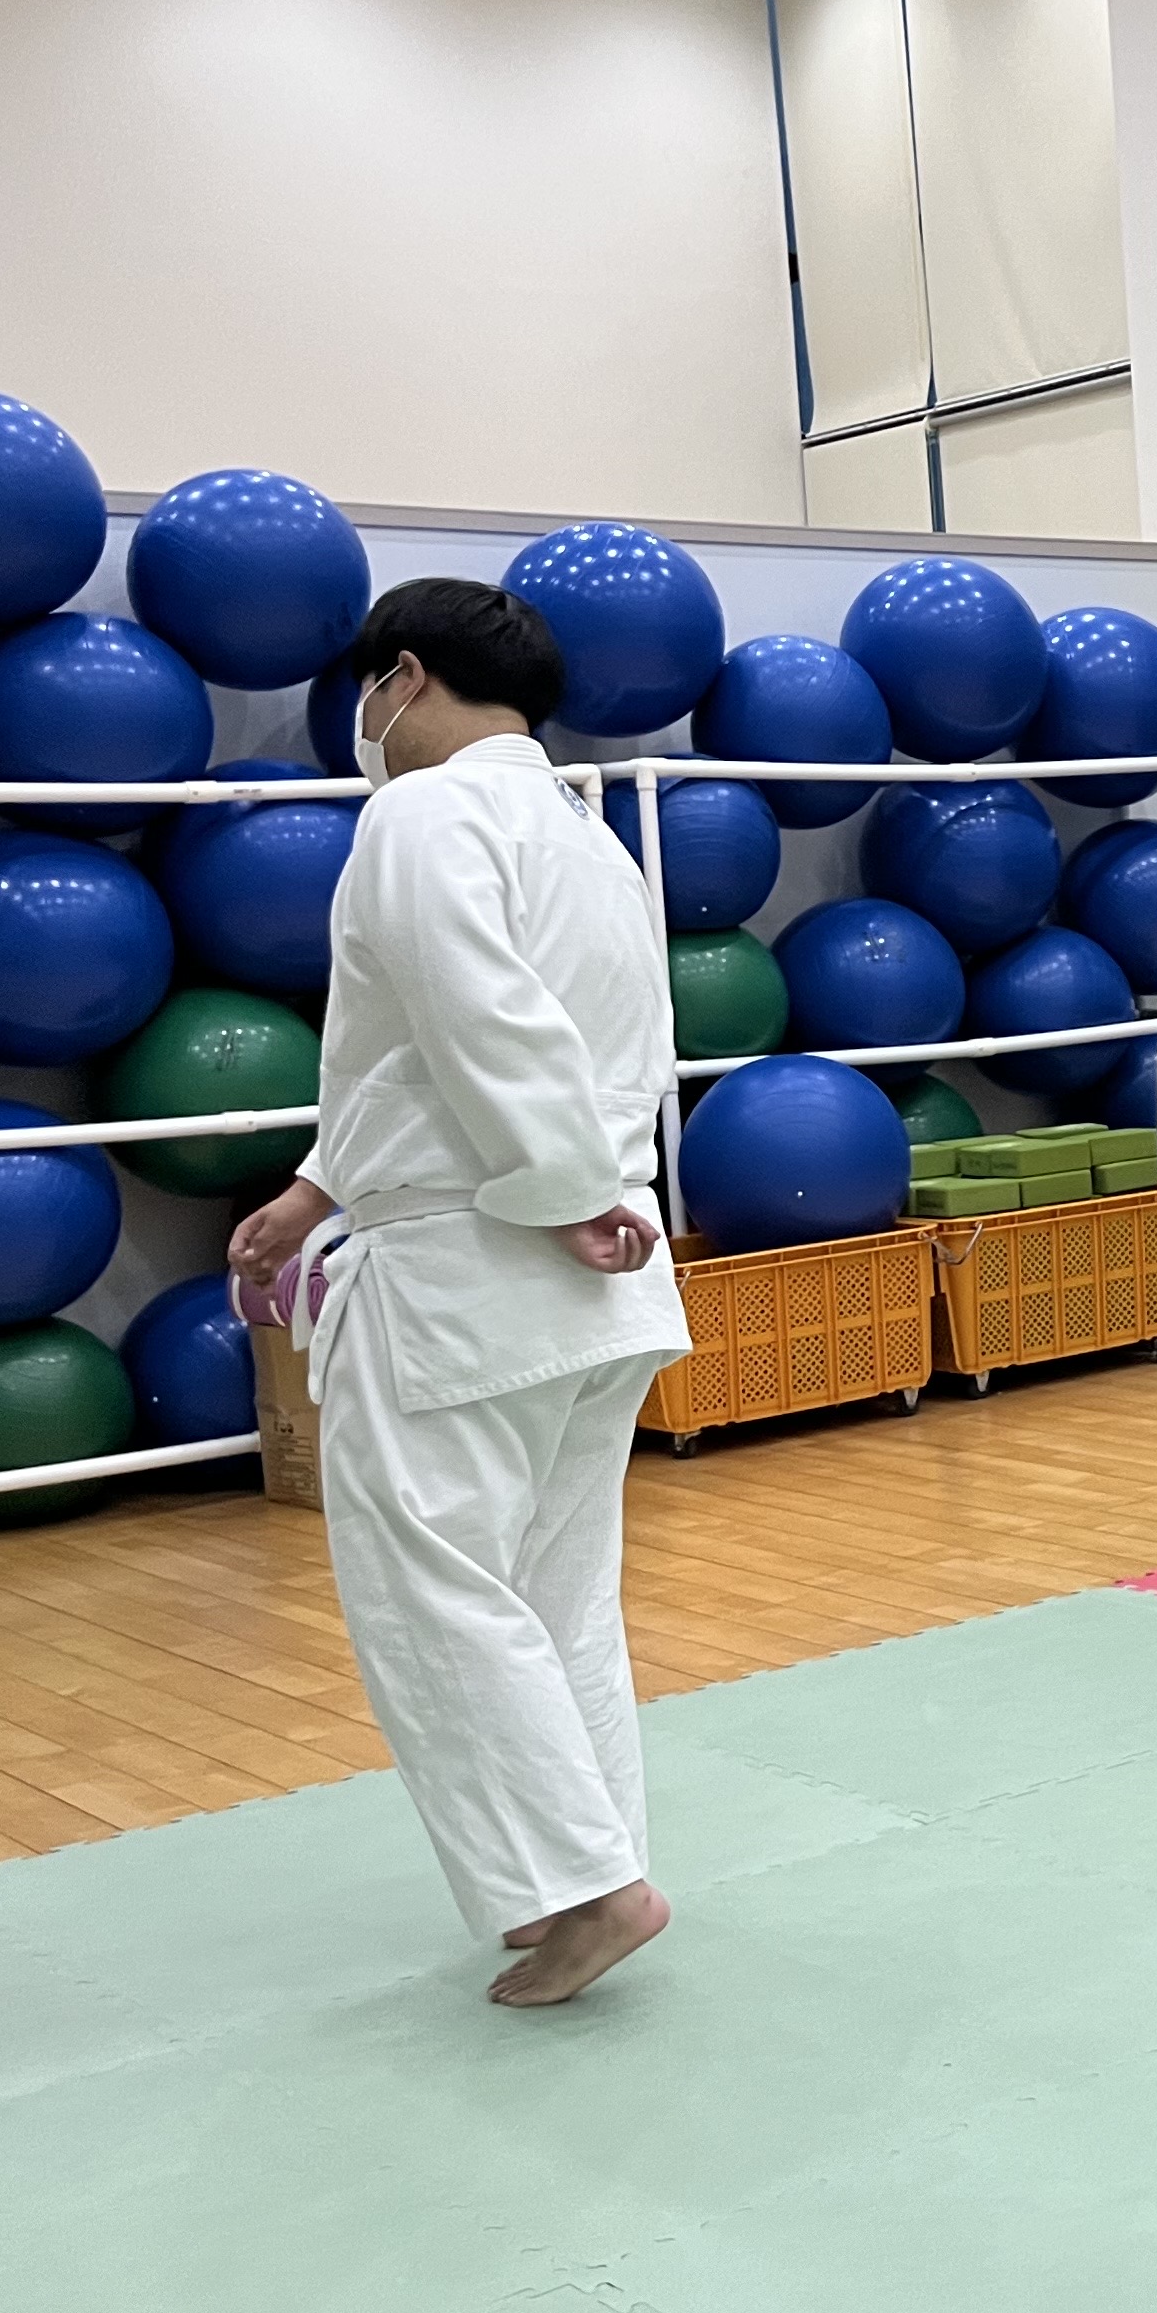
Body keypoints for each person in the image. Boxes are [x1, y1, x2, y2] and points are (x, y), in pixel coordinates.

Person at [226, 579, 688, 2010]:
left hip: (483, 1267)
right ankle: (586, 1873)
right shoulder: (587, 838)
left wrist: (565, 1191)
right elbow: (444, 1052)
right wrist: (316, 1188)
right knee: (556, 1597)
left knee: (435, 1590)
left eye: (365, 693)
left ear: (404, 677)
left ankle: (591, 1888)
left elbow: (482, 1018)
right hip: (593, 1267)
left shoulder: (422, 815)